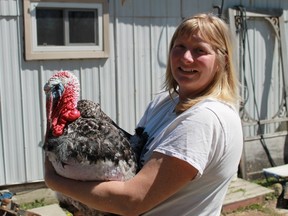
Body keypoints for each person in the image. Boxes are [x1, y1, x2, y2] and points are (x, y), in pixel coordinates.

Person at [45, 13, 243, 216]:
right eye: (180, 46)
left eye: (200, 50)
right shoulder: (165, 103)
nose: (185, 57)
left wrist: (55, 181)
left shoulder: (204, 119)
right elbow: (132, 163)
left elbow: (132, 201)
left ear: (222, 60)